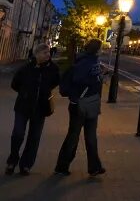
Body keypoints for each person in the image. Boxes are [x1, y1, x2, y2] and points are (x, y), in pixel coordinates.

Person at [6, 43, 60, 175]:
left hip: (41, 108)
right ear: (37, 54)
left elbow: (56, 82)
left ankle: (26, 165)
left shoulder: (53, 68)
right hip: (23, 107)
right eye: (44, 53)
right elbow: (15, 84)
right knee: (18, 134)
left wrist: (45, 93)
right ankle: (12, 161)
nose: (48, 55)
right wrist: (25, 93)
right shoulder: (26, 68)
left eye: (48, 53)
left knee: (34, 138)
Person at [54, 39, 105, 177]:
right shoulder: (87, 62)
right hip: (81, 104)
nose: (103, 50)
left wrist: (99, 76)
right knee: (75, 136)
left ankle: (94, 166)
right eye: (101, 48)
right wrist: (95, 78)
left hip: (88, 103)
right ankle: (62, 165)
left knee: (89, 136)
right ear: (96, 49)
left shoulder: (88, 61)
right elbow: (79, 80)